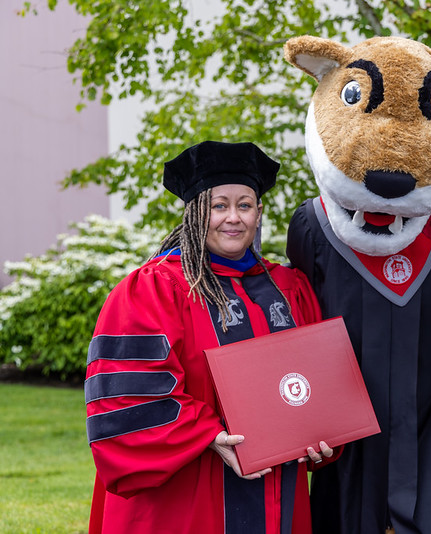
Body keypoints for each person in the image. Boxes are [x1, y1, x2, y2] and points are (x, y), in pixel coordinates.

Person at [85, 141, 337, 534]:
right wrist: (209, 435)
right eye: (219, 205)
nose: (233, 218)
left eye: (245, 205)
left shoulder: (288, 287)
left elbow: (313, 382)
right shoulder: (155, 288)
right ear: (194, 214)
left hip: (276, 490)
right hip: (188, 495)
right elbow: (128, 395)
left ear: (259, 213)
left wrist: (320, 431)